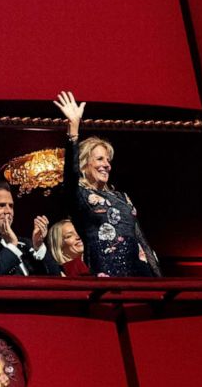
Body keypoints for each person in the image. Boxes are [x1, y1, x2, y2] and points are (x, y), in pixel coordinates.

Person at [54, 91, 162, 277]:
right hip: (104, 273)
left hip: (139, 272)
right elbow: (70, 175)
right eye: (99, 159)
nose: (106, 164)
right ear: (84, 164)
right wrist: (73, 129)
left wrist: (156, 275)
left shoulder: (121, 197)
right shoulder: (79, 194)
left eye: (108, 160)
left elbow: (140, 238)